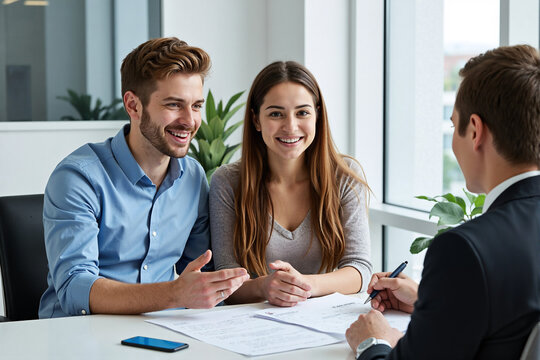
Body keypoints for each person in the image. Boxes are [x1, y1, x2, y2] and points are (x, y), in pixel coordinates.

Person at [346, 44, 540, 359]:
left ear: (475, 131)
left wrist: (373, 341)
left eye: (454, 126)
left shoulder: (465, 251)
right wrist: (430, 303)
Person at [39, 37, 249, 318]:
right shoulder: (78, 178)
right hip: (77, 335)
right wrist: (174, 293)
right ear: (133, 106)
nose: (190, 120)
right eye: (174, 105)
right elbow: (75, 289)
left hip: (160, 331)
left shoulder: (193, 177)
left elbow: (203, 273)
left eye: (196, 106)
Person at [209, 61, 372, 307]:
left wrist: (305, 285)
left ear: (317, 115)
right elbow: (225, 280)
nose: (290, 126)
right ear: (256, 120)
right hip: (252, 325)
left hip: (323, 320)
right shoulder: (228, 182)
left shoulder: (345, 177)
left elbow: (359, 269)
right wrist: (264, 286)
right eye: (276, 113)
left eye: (302, 112)